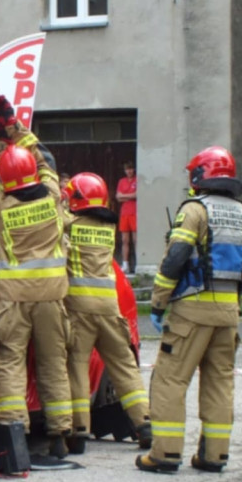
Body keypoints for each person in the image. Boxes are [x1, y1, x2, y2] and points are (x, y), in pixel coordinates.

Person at [136, 146, 242, 474]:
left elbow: (175, 258)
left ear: (200, 176)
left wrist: (159, 301)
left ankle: (165, 454)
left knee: (170, 380)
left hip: (190, 314)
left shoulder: (194, 210)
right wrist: (233, 301)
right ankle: (214, 455)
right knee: (219, 382)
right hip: (228, 314)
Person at [0, 101, 74, 466]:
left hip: (15, 298)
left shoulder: (1, 206)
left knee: (8, 361)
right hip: (53, 297)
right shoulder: (53, 199)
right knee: (54, 362)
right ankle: (61, 435)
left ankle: (13, 434)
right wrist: (19, 133)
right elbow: (47, 163)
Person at [61, 172, 151, 454]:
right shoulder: (107, 229)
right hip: (110, 309)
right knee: (124, 365)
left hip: (81, 309)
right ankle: (144, 423)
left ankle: (78, 431)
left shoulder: (71, 225)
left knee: (77, 366)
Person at [116, 160, 137, 274]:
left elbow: (137, 194)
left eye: (130, 169)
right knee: (125, 240)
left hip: (134, 212)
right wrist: (130, 196)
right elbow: (118, 197)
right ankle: (125, 264)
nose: (129, 171)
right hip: (124, 213)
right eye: (127, 169)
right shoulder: (121, 181)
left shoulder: (137, 180)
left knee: (135, 240)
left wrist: (125, 196)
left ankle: (138, 263)